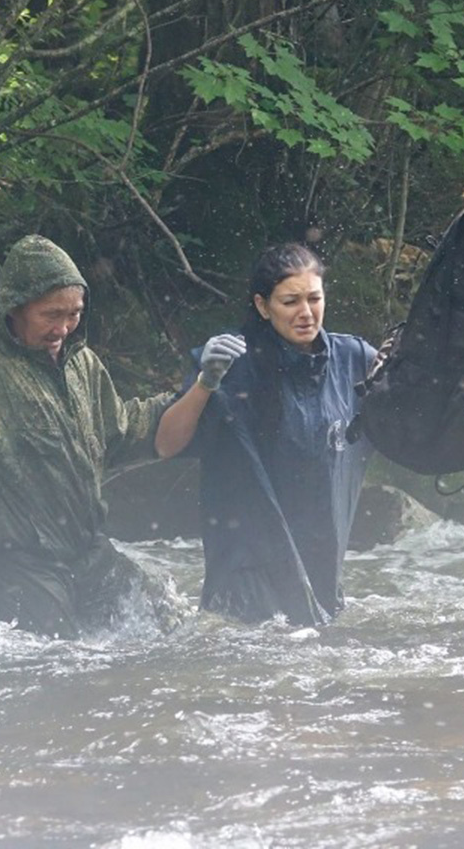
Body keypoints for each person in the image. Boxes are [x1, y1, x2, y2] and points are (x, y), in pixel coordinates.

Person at [0, 234, 179, 639]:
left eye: (74, 313)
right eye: (50, 314)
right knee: (50, 671)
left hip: (87, 553)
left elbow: (121, 432)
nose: (63, 328)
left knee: (167, 624)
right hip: (18, 566)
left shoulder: (83, 365)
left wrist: (195, 396)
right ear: (16, 309)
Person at [152, 243, 377, 626]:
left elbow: (408, 418)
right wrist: (206, 382)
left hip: (320, 564)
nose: (306, 313)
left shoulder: (354, 359)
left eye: (314, 299)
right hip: (246, 565)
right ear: (262, 305)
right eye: (290, 302)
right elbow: (166, 444)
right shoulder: (230, 363)